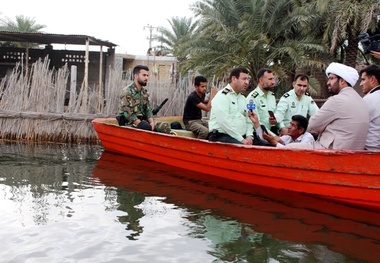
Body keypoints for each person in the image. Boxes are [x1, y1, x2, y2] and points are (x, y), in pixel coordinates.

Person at [286, 62, 369, 150]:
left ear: (342, 81)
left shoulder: (337, 100)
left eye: (331, 78)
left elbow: (313, 125)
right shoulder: (361, 101)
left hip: (331, 151)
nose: (328, 83)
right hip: (355, 153)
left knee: (288, 147)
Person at [208, 68, 254, 145]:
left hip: (239, 137)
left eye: (248, 79)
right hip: (221, 136)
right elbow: (224, 122)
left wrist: (249, 136)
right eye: (244, 79)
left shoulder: (243, 99)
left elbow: (249, 119)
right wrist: (241, 140)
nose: (247, 82)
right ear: (234, 79)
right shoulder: (222, 96)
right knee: (243, 149)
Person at [119, 65, 154, 131]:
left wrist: (152, 123)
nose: (146, 78)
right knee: (146, 127)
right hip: (130, 124)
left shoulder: (144, 93)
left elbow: (148, 110)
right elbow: (128, 114)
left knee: (164, 126)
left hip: (143, 122)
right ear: (136, 76)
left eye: (147, 75)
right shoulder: (127, 92)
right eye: (144, 75)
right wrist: (141, 124)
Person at [246, 68, 279, 134]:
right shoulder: (252, 98)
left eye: (273, 79)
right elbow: (255, 122)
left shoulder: (271, 96)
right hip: (260, 134)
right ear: (261, 81)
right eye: (270, 79)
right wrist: (274, 137)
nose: (273, 82)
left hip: (273, 132)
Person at [359, 64, 380, 150]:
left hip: (370, 151)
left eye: (363, 80)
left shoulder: (369, 100)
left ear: (372, 79)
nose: (361, 84)